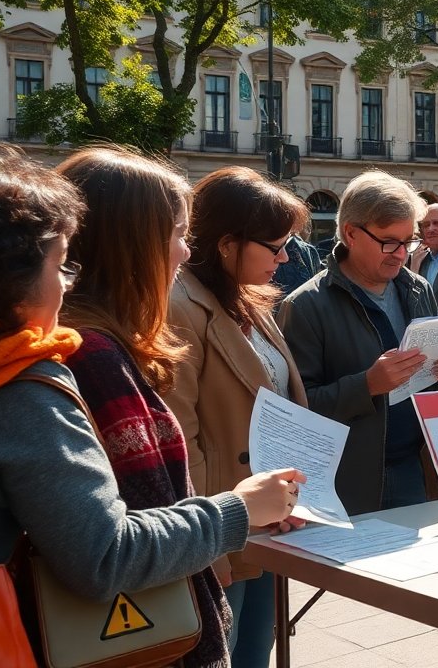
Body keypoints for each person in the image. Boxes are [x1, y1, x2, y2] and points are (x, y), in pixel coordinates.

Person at [52, 146, 305, 668]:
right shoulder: (96, 354)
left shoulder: (99, 341)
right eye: (175, 235)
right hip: (169, 581)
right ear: (132, 244)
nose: (186, 252)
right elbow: (121, 533)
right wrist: (227, 520)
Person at [164, 166, 312, 667]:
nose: (286, 257)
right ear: (227, 244)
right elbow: (183, 439)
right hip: (226, 526)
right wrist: (212, 546)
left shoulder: (249, 298)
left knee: (255, 652)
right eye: (275, 246)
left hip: (271, 517)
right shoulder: (181, 306)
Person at [279, 171, 438, 516]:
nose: (400, 254)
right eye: (388, 241)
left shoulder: (418, 289)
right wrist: (367, 385)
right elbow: (294, 410)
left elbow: (427, 380)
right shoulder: (305, 305)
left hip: (416, 469)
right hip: (345, 481)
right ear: (350, 232)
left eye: (408, 242)